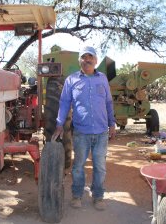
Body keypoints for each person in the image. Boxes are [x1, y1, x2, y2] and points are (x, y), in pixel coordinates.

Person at [51, 46, 116, 211]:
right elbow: (64, 103)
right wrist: (59, 124)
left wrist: (112, 123)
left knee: (100, 166)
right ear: (79, 60)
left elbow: (108, 103)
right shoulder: (71, 80)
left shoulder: (102, 79)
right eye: (84, 57)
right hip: (81, 132)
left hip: (101, 132)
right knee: (78, 166)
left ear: (95, 60)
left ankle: (98, 196)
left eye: (90, 57)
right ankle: (77, 195)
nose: (87, 60)